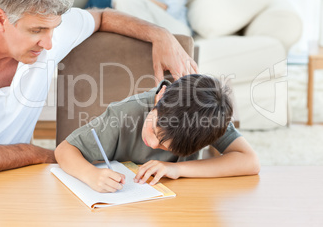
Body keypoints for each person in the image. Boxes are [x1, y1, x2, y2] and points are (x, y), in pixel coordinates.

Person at [0, 0, 197, 180]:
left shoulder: (47, 27)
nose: (49, 44)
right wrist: (35, 153)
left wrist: (160, 35)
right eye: (36, 31)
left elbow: (101, 17)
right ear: (0, 19)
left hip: (17, 178)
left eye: (53, 28)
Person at [55, 74, 260, 193]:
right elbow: (65, 149)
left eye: (164, 146)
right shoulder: (124, 113)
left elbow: (250, 161)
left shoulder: (208, 119)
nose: (153, 144)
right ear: (161, 96)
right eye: (154, 131)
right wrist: (91, 175)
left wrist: (178, 169)